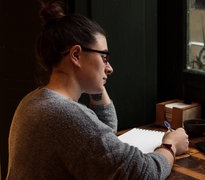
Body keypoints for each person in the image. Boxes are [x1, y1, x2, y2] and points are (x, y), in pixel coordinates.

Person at [6, 1, 189, 179]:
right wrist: (170, 145)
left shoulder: (32, 101)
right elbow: (144, 173)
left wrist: (96, 83)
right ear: (76, 55)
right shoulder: (66, 116)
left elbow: (102, 138)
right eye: (104, 57)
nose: (109, 69)